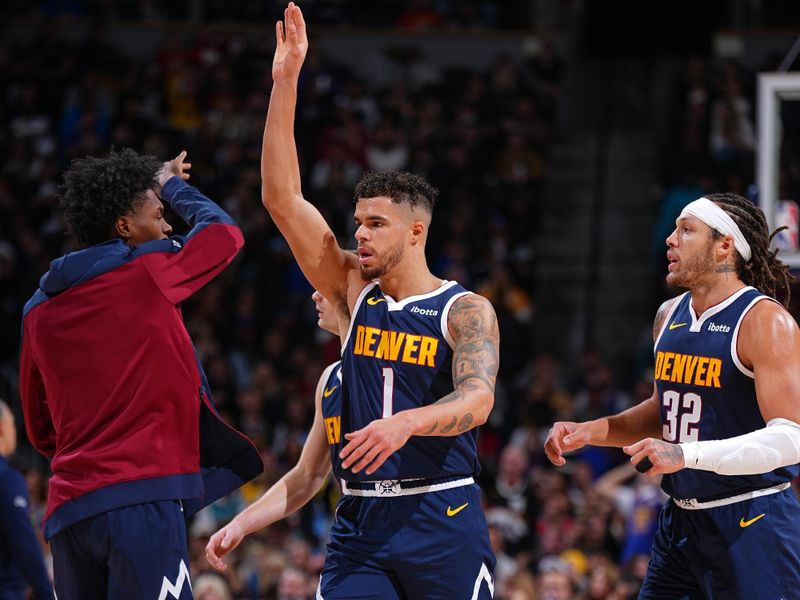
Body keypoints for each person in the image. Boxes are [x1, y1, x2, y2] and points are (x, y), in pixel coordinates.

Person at [241, 4, 499, 598]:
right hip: (360, 519)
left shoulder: (464, 310)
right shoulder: (354, 292)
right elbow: (282, 199)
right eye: (357, 222)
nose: (359, 234)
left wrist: (406, 424)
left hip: (442, 515)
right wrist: (286, 83)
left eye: (375, 224)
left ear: (415, 232)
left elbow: (478, 399)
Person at [19, 148, 262, 599]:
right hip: (140, 498)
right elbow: (224, 233)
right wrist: (169, 182)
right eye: (158, 214)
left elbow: (38, 426)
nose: (169, 225)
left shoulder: (36, 310)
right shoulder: (147, 272)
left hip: (70, 510)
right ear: (124, 226)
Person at [544, 193, 800, 598]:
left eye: (686, 230)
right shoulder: (669, 315)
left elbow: (791, 438)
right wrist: (592, 430)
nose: (670, 239)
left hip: (751, 520)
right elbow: (665, 411)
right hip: (680, 522)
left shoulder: (764, 322)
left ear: (724, 246)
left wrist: (685, 455)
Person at [205, 291, 342, 571]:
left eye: (325, 286)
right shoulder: (331, 378)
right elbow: (307, 476)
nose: (315, 295)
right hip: (359, 527)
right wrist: (241, 524)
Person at [0, 400, 55, 600]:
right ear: (2, 429)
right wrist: (46, 592)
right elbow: (24, 542)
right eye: (13, 425)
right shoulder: (7, 479)